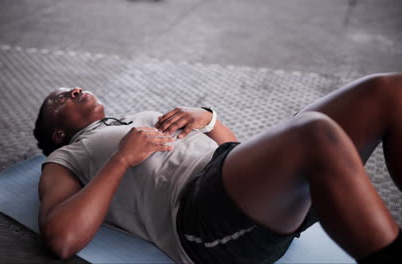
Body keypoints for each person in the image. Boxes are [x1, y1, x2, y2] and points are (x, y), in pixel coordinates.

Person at [34, 72, 402, 263]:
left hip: (238, 188)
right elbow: (62, 239)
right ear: (58, 131)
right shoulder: (64, 158)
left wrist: (208, 121)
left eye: (75, 88)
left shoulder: (131, 118)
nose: (76, 90)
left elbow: (237, 153)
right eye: (62, 97)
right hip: (200, 220)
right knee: (315, 134)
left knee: (386, 90)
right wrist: (122, 159)